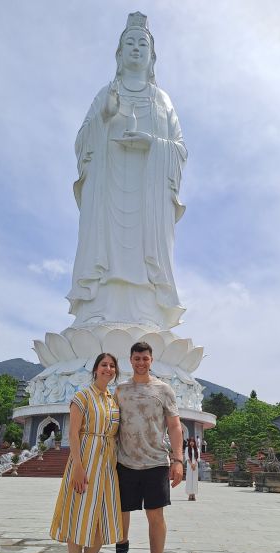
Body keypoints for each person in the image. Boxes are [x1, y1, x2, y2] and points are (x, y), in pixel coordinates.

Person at [67, 11, 187, 330]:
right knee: (105, 249)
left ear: (151, 56)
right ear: (119, 54)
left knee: (143, 255)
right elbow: (82, 143)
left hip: (149, 195)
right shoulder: (105, 95)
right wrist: (103, 118)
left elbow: (179, 147)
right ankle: (98, 309)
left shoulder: (162, 100)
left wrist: (152, 144)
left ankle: (147, 312)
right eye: (130, 43)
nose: (136, 48)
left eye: (142, 44)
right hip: (108, 189)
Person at [105, 341, 183, 553]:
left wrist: (178, 460)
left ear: (152, 360)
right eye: (137, 358)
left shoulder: (164, 389)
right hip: (125, 462)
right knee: (122, 516)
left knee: (156, 517)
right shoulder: (120, 390)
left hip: (156, 463)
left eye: (145, 358)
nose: (141, 362)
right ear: (130, 360)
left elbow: (174, 426)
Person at [50, 353, 122, 553]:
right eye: (104, 365)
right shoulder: (82, 397)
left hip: (108, 467)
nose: (108, 369)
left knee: (101, 525)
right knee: (79, 520)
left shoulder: (114, 400)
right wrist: (78, 467)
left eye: (112, 366)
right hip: (86, 463)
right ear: (95, 369)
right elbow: (72, 433)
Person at [185, 436, 200, 501]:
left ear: (194, 442)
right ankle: (190, 494)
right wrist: (191, 465)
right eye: (190, 441)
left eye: (193, 441)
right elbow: (187, 457)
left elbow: (198, 458)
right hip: (189, 465)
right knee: (189, 479)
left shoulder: (197, 449)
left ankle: (193, 494)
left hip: (195, 466)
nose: (192, 443)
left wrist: (195, 465)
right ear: (189, 442)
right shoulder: (187, 449)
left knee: (194, 480)